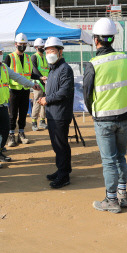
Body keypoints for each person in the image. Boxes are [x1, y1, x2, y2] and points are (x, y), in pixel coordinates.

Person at [83, 19, 127, 213]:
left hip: (103, 119)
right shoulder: (126, 58)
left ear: (96, 40)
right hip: (124, 116)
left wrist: (94, 112)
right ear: (112, 38)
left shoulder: (94, 64)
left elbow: (87, 94)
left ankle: (111, 200)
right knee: (121, 157)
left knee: (109, 160)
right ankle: (123, 195)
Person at [0, 39, 40, 169]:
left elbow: (18, 77)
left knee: (5, 131)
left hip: (4, 105)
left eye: (0, 52)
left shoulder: (4, 67)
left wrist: (32, 84)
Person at [37, 37, 74, 189]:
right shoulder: (53, 69)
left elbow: (64, 92)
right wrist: (44, 98)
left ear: (60, 51)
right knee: (57, 145)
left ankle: (64, 175)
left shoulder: (65, 69)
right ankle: (62, 169)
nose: (49, 54)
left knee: (61, 145)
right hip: (53, 114)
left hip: (60, 114)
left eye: (52, 50)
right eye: (46, 51)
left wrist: (48, 99)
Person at [5, 33, 38, 147]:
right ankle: (11, 136)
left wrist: (39, 77)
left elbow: (30, 73)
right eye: (20, 44)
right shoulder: (9, 57)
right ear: (15, 44)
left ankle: (21, 134)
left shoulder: (28, 58)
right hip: (13, 90)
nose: (22, 46)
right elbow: (5, 74)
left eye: (24, 44)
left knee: (23, 113)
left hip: (25, 90)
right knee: (12, 114)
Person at [30, 37, 49, 131]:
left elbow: (47, 69)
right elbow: (34, 70)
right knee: (37, 102)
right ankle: (34, 122)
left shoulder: (44, 57)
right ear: (36, 47)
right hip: (38, 83)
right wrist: (41, 78)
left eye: (43, 46)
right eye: (41, 46)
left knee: (44, 102)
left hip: (45, 82)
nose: (43, 48)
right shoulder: (34, 57)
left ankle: (42, 121)